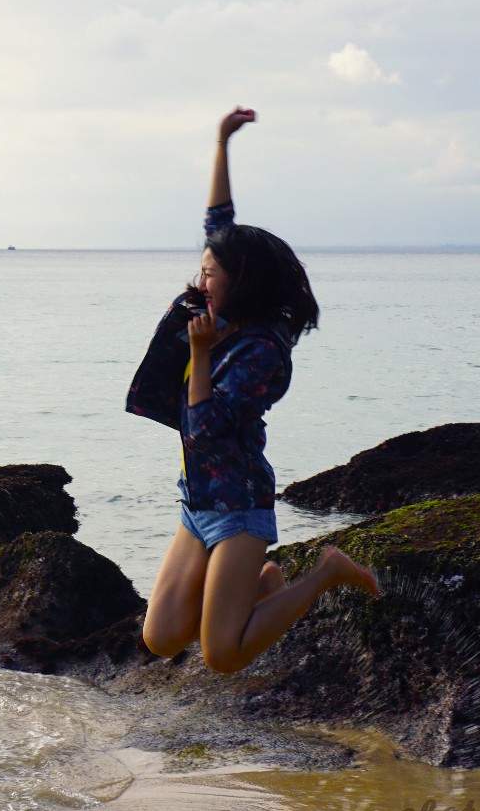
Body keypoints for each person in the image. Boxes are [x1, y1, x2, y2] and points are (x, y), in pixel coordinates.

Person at [125, 106, 379, 673]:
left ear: (242, 281)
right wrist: (221, 142)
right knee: (162, 638)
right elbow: (220, 221)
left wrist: (200, 352)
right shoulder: (224, 316)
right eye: (203, 268)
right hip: (198, 501)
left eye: (211, 273)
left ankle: (326, 572)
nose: (200, 280)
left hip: (239, 506)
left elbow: (205, 426)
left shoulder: (262, 351)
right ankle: (262, 584)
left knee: (223, 655)